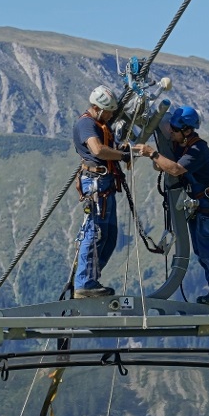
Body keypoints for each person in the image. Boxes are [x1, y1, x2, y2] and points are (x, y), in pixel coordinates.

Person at [132, 105, 209, 306]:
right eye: (171, 128)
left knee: (208, 249)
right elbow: (163, 165)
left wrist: (153, 153)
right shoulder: (181, 144)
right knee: (202, 250)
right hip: (201, 202)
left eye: (175, 130)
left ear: (187, 130)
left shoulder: (197, 149)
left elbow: (176, 169)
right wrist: (158, 157)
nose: (171, 132)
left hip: (208, 203)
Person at [72, 84, 132, 298]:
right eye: (107, 112)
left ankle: (91, 279)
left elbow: (107, 147)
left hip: (105, 183)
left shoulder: (100, 124)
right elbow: (97, 150)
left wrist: (122, 150)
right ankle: (84, 282)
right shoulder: (87, 124)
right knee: (95, 232)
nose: (110, 116)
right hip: (96, 183)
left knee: (109, 235)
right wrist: (123, 156)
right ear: (98, 108)